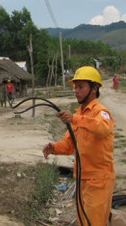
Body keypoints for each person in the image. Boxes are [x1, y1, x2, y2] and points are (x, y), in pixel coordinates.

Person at [42, 66, 115, 226]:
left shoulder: (101, 112)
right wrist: (53, 147)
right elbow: (69, 145)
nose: (76, 91)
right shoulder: (80, 113)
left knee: (94, 223)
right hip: (82, 178)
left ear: (94, 89)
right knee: (83, 221)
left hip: (99, 179)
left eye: (81, 87)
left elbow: (102, 128)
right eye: (75, 87)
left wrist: (75, 119)